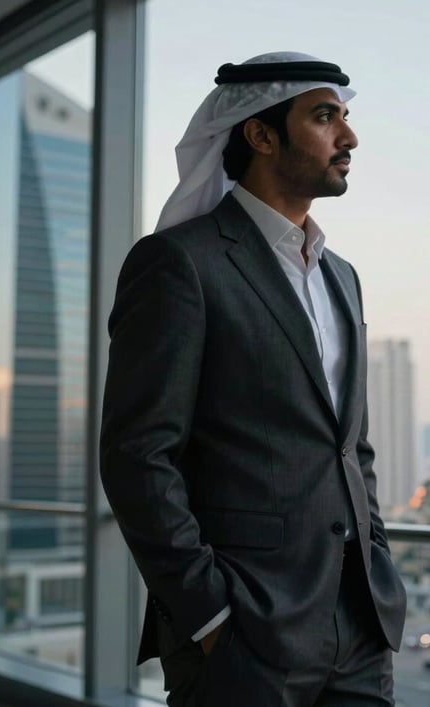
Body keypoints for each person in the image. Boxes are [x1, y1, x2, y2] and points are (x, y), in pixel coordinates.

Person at [100, 51, 407, 706]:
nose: (348, 138)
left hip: (359, 625)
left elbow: (353, 447)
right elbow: (137, 455)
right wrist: (209, 615)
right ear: (260, 134)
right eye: (325, 117)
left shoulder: (341, 276)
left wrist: (378, 563)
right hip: (245, 629)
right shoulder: (180, 264)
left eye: (345, 118)